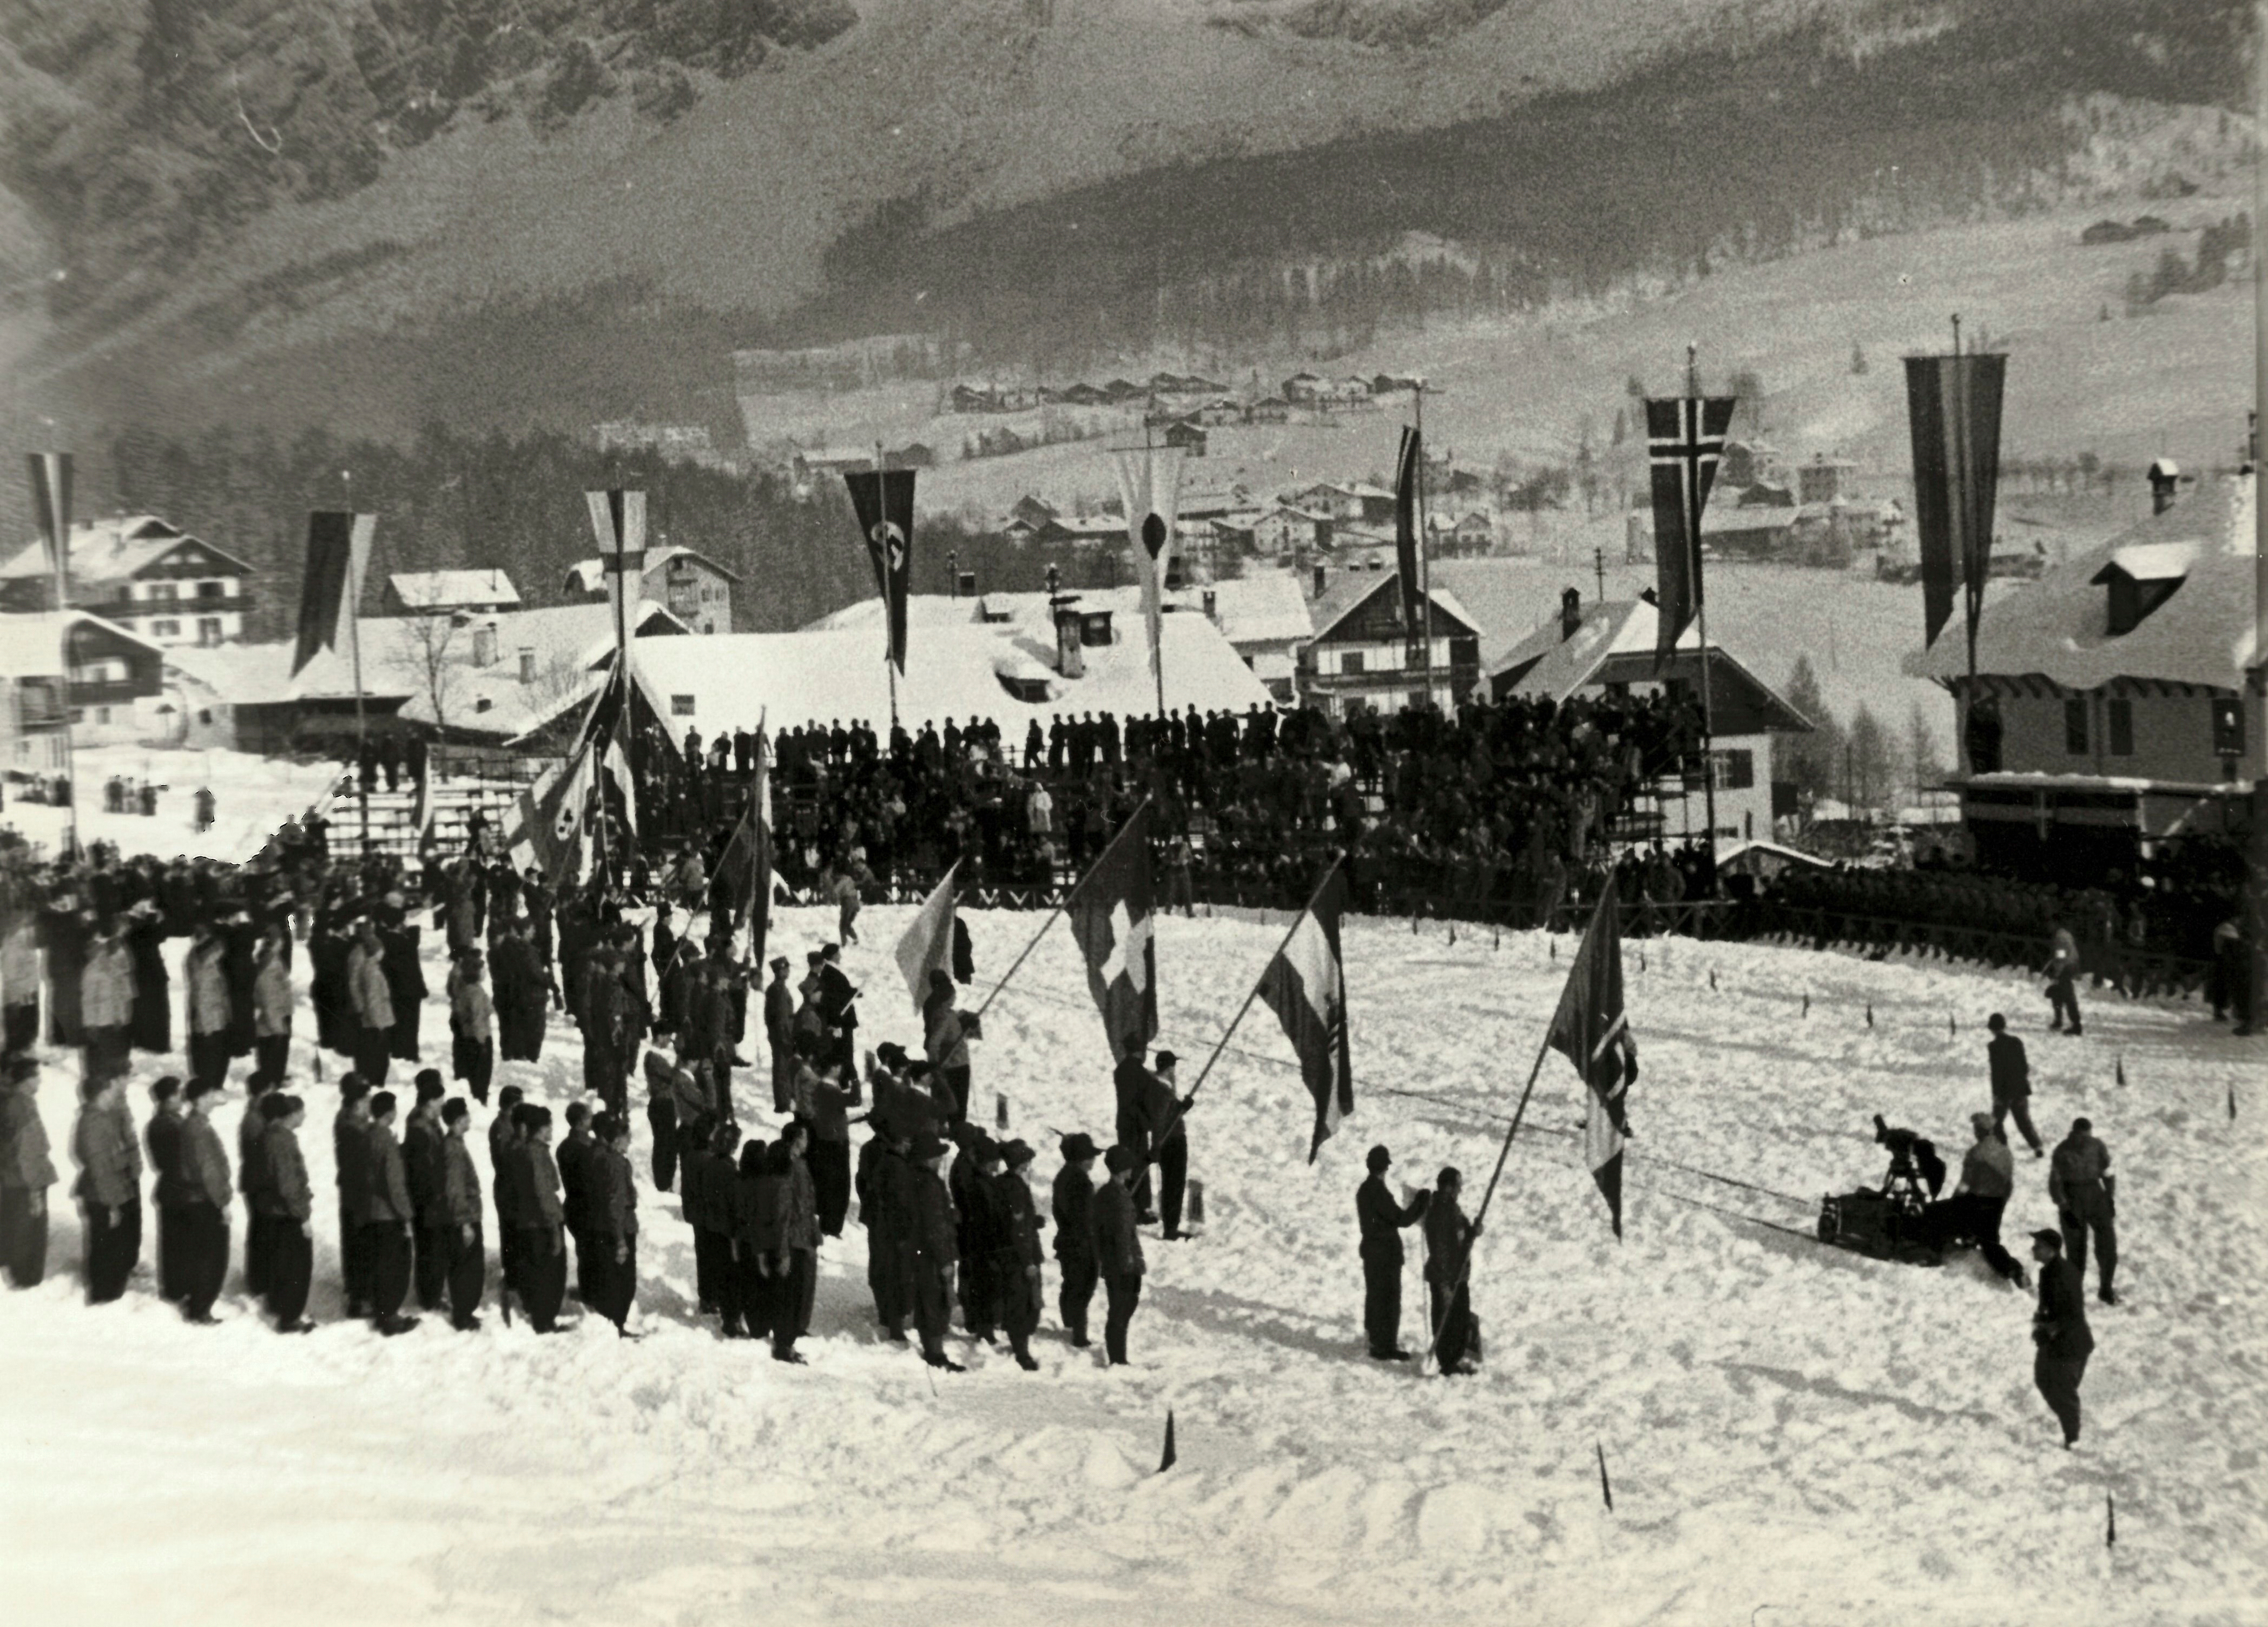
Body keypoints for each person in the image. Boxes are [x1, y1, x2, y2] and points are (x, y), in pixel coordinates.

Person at [1926, 1113, 2027, 1286]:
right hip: (1998, 1202)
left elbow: (1965, 1184)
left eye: (1976, 1129)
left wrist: (1954, 1200)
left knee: (1936, 1213)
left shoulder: (1976, 1153)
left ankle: (2011, 1269)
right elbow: (2009, 1183)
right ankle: (2012, 1269)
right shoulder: (2006, 1153)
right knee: (1989, 1239)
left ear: (1980, 1131)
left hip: (1977, 1201)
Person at [1355, 1143, 1431, 1360]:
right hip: (1385, 1254)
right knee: (1388, 1301)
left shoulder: (1364, 1190)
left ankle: (1374, 1339)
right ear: (1384, 1168)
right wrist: (1421, 1202)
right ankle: (1385, 1346)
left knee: (1375, 1297)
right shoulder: (1378, 1192)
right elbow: (1402, 1219)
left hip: (1372, 1251)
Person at [72, 1072, 142, 1304]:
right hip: (101, 1195)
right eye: (110, 1090)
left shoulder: (100, 1117)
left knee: (109, 1245)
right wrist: (112, 1203)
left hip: (107, 1191)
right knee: (104, 1247)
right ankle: (103, 1295)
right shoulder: (93, 1122)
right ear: (101, 1094)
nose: (114, 1094)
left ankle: (108, 1291)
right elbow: (100, 1167)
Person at [255, 1094, 317, 1332]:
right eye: (301, 1112)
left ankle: (280, 1306)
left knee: (281, 1264)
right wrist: (303, 1217)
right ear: (289, 1115)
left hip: (275, 1211)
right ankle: (290, 1318)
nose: (304, 1116)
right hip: (288, 1213)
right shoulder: (282, 1141)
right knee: (297, 1267)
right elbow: (288, 1185)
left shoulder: (271, 1136)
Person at [360, 1090, 420, 1335]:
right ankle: (390, 1318)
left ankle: (381, 1311)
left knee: (379, 1265)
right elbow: (395, 1185)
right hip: (389, 1215)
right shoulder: (386, 1140)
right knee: (394, 1268)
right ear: (389, 1113)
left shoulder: (368, 1135)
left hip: (372, 1211)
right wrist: (406, 1215)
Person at [2029, 1229, 2095, 1447]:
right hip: (2054, 1341)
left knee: (2062, 1391)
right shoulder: (2047, 1271)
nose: (2033, 1249)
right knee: (2043, 1379)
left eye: (2038, 1246)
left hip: (2071, 1344)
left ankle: (2073, 1439)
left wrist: (2050, 1329)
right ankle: (2071, 1425)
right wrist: (2040, 1322)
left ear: (2050, 1250)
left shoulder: (2065, 1274)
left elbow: (2074, 1314)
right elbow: (2048, 1305)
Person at [905, 1130, 964, 1371]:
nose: (940, 1160)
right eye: (937, 1156)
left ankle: (934, 1350)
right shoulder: (929, 1184)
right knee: (935, 1302)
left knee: (931, 1301)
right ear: (928, 1158)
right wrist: (945, 1260)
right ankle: (935, 1353)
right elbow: (934, 1225)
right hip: (932, 1254)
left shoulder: (918, 1179)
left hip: (922, 1252)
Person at [175, 1078, 232, 1324]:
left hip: (200, 1198)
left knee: (203, 1254)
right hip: (205, 1200)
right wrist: (222, 1202)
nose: (214, 1099)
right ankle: (201, 1308)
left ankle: (198, 1304)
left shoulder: (197, 1125)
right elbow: (207, 1170)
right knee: (211, 1257)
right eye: (210, 1095)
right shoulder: (198, 1129)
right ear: (199, 1099)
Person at [508, 1104, 568, 1333]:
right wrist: (554, 1227)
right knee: (549, 1274)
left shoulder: (527, 1151)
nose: (551, 1129)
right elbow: (544, 1192)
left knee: (540, 1272)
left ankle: (542, 1317)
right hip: (543, 1223)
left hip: (531, 1221)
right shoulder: (537, 1154)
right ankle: (545, 1321)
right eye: (548, 1125)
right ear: (540, 1129)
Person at [2048, 1116, 2119, 1305]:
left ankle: (2106, 1289)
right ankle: (2074, 1294)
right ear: (2076, 1132)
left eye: (2086, 1135)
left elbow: (2108, 1172)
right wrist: (2064, 1207)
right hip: (2074, 1198)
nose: (2084, 1138)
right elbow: (2055, 1182)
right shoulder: (2063, 1150)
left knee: (2108, 1246)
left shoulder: (2096, 1146)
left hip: (2096, 1196)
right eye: (2082, 1135)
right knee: (2076, 1251)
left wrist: (2110, 1197)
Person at [0, 1057, 56, 1287]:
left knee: (15, 1230)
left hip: (14, 1178)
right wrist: (34, 1190)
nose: (40, 1081)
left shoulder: (16, 1101)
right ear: (25, 1081)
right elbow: (28, 1150)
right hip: (26, 1180)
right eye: (36, 1076)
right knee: (30, 1235)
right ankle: (26, 1282)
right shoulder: (21, 1106)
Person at [1422, 1166, 1480, 1374]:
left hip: (1458, 1275)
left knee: (1460, 1319)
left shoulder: (1452, 1208)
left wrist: (1473, 1231)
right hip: (1447, 1277)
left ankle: (1453, 1360)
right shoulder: (1440, 1211)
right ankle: (1447, 1363)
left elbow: (1461, 1236)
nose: (1460, 1190)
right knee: (1448, 1321)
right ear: (1448, 1187)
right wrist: (1445, 1284)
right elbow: (1440, 1251)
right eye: (1457, 1186)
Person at [1093, 1145, 1146, 1367]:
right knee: (1121, 1310)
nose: (1132, 1170)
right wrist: (1130, 1261)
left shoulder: (1110, 1193)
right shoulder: (1116, 1197)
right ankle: (1118, 1358)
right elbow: (1122, 1234)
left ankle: (1118, 1356)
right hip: (1122, 1263)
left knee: (1123, 1308)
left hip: (1118, 1261)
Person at [995, 1139, 1045, 1371]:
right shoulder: (1015, 1187)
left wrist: (1033, 1221)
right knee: (1023, 1305)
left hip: (1007, 1253)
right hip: (1019, 1256)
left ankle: (1019, 1346)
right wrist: (1028, 1262)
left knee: (1019, 1303)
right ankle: (1022, 1352)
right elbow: (1018, 1229)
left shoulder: (1003, 1183)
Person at [587, 1113, 639, 1336]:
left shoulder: (601, 1158)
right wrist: (620, 1240)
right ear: (617, 1139)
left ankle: (612, 1323)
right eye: (627, 1137)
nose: (630, 1141)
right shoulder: (617, 1164)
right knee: (623, 1282)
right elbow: (616, 1203)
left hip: (602, 1225)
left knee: (610, 1278)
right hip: (619, 1228)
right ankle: (618, 1324)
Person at [402, 1073, 450, 1313]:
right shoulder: (421, 1129)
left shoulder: (425, 1122)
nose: (443, 1105)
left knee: (430, 1249)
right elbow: (422, 1172)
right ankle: (430, 1297)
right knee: (431, 1249)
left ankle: (430, 1293)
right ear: (431, 1103)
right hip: (428, 1201)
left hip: (429, 1199)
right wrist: (436, 1198)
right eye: (440, 1101)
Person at [438, 1099, 486, 1331]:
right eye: (466, 1115)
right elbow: (454, 1189)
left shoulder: (455, 1143)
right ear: (458, 1120)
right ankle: (463, 1315)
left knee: (467, 1268)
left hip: (466, 1216)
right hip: (464, 1219)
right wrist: (465, 1223)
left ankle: (464, 1312)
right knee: (466, 1269)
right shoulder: (453, 1149)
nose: (469, 1118)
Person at [1051, 1132, 1101, 1347]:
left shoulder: (1063, 1176)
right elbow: (1085, 1217)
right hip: (1081, 1243)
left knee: (1071, 1284)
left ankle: (1069, 1324)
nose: (1094, 1161)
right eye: (1091, 1157)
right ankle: (1078, 1335)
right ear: (1082, 1158)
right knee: (1083, 1286)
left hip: (1067, 1240)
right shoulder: (1081, 1182)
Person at [1142, 1050, 1194, 1241]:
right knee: (1174, 1185)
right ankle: (1170, 1227)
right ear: (1170, 1067)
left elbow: (1169, 1114)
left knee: (1173, 1184)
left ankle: (1171, 1225)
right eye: (1174, 1066)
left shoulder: (1162, 1086)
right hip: (1172, 1142)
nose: (1175, 1070)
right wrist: (1156, 1147)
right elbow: (1159, 1120)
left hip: (1170, 1139)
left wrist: (1182, 1108)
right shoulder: (1162, 1088)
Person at [145, 1076, 189, 1302]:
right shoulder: (165, 1125)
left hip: (173, 1187)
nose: (182, 1097)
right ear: (168, 1098)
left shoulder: (169, 1121)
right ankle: (175, 1290)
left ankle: (177, 1288)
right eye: (178, 1093)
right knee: (175, 1243)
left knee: (177, 1242)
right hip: (176, 1188)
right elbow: (176, 1160)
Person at [334, 1075, 374, 1317]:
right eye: (367, 1098)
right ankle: (359, 1300)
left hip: (351, 1193)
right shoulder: (353, 1128)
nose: (370, 1102)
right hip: (358, 1195)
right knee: (360, 1245)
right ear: (358, 1102)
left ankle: (356, 1292)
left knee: (354, 1243)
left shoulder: (348, 1119)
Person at [1984, 1014, 2043, 1157]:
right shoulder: (2017, 1042)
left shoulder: (1994, 1046)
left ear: (1992, 1029)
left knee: (1996, 1123)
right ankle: (2037, 1147)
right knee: (2024, 1121)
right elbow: (2024, 1067)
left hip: (2004, 1093)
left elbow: (1996, 1073)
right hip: (2020, 1089)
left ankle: (2002, 1148)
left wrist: (1996, 1094)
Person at [346, 920, 394, 1085]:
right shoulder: (361, 957)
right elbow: (356, 984)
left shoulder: (367, 958)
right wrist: (362, 1010)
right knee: (373, 1051)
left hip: (370, 1013)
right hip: (369, 1015)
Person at [763, 955, 796, 1113]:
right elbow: (782, 1017)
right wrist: (787, 1038)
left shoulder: (775, 988)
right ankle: (783, 1103)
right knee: (782, 1069)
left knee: (781, 1068)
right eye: (786, 968)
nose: (789, 971)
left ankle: (783, 1101)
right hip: (782, 1036)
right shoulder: (779, 990)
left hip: (777, 1035)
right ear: (781, 970)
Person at [2045, 918, 2084, 1036]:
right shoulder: (2064, 934)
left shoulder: (2060, 938)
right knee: (2059, 994)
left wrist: (2057, 973)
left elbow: (2061, 957)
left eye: (2050, 924)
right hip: (2070, 966)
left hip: (2066, 968)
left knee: (2067, 995)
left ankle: (2076, 1025)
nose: (2048, 926)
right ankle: (2059, 1021)